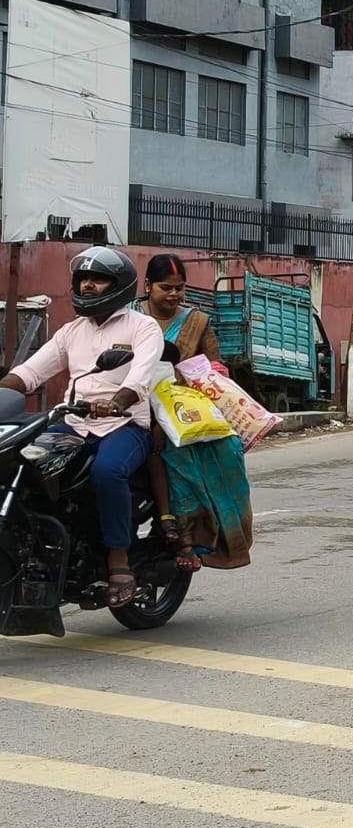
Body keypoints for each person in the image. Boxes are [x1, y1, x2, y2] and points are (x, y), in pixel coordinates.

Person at [0, 247, 161, 607]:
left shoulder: (142, 327)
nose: (88, 285)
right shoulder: (71, 331)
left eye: (98, 279)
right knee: (25, 463)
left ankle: (118, 558)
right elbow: (30, 372)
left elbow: (140, 377)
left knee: (107, 471)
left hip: (124, 426)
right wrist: (4, 387)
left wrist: (117, 402)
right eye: (83, 278)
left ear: (118, 286)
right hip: (72, 423)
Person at [132, 254, 255, 570]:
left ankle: (225, 540)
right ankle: (180, 531)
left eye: (179, 288)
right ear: (147, 286)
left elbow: (214, 371)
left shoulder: (197, 322)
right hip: (134, 406)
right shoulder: (130, 317)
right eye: (165, 287)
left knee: (228, 448)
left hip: (185, 410)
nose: (173, 295)